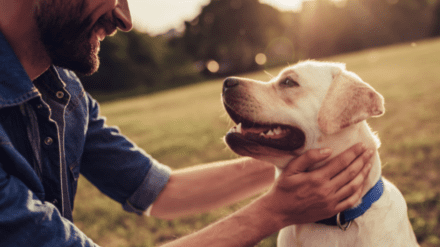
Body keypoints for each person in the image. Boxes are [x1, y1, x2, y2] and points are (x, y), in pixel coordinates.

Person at [0, 1, 373, 246]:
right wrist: (274, 211)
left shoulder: (63, 91)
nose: (125, 19)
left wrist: (302, 158)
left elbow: (162, 191)